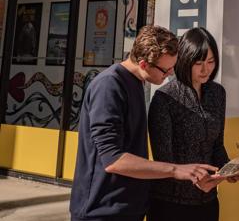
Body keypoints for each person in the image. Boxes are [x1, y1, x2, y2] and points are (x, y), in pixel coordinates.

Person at [70, 25, 218, 221]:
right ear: (143, 64)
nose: (170, 74)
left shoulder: (137, 82)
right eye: (165, 70)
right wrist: (176, 169)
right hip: (101, 211)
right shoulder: (108, 86)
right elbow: (113, 160)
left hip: (129, 208)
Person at [147, 27, 239, 221]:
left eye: (211, 62)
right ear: (184, 61)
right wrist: (196, 181)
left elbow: (217, 145)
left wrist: (227, 169)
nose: (206, 69)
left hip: (208, 201)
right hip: (171, 203)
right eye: (198, 63)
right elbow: (163, 160)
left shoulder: (217, 93)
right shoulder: (165, 98)